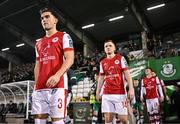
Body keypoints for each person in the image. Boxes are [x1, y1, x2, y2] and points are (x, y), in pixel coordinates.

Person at [32, 7, 74, 124]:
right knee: (39, 121)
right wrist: (36, 85)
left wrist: (57, 75)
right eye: (42, 18)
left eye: (47, 17)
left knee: (57, 121)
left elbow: (70, 59)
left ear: (55, 20)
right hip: (40, 88)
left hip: (58, 86)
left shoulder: (64, 36)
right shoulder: (38, 43)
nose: (44, 20)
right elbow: (37, 66)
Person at [96, 39, 134, 124]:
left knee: (123, 119)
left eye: (110, 46)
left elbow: (127, 74)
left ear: (114, 48)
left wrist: (131, 89)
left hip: (120, 93)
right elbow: (101, 78)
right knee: (108, 119)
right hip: (107, 94)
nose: (108, 47)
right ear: (104, 49)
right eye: (106, 46)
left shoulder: (121, 58)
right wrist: (97, 92)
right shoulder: (102, 62)